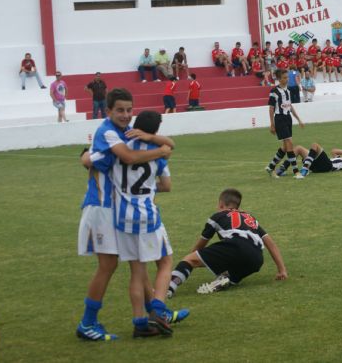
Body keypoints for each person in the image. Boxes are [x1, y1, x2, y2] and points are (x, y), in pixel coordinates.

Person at [76, 88, 174, 342]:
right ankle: (87, 323)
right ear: (108, 111)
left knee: (136, 263)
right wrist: (160, 151)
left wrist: (157, 140)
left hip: (118, 208)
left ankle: (153, 314)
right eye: (120, 110)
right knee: (108, 265)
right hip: (102, 206)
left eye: (129, 110)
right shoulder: (108, 131)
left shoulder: (123, 133)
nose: (125, 115)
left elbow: (91, 157)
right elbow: (127, 157)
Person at [110, 110, 178, 337]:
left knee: (137, 271)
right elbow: (166, 185)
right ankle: (158, 310)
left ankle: (139, 322)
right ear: (156, 130)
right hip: (147, 214)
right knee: (166, 262)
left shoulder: (121, 147)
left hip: (122, 216)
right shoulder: (158, 152)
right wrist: (149, 188)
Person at [167, 188, 288, 298]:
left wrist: (189, 262)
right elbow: (271, 244)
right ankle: (225, 279)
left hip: (236, 246)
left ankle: (168, 289)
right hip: (256, 258)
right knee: (228, 273)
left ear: (220, 204)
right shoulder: (250, 218)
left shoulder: (217, 216)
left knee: (189, 259)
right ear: (238, 207)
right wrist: (282, 270)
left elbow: (201, 245)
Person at [265, 69, 304, 179]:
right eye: (284, 78)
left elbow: (290, 106)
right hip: (280, 119)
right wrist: (272, 124)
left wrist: (299, 119)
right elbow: (271, 108)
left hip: (288, 119)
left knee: (285, 147)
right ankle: (296, 172)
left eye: (287, 77)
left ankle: (271, 167)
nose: (286, 79)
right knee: (290, 143)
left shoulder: (288, 91)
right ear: (279, 79)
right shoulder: (274, 91)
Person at [275, 143, 342, 178]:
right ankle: (282, 169)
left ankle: (304, 169)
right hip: (320, 166)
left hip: (328, 166)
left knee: (315, 145)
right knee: (298, 148)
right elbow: (334, 151)